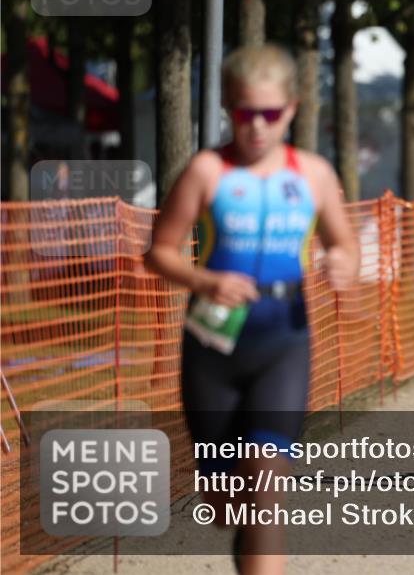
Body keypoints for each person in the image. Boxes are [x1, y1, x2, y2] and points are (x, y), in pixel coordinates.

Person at [145, 44, 359, 574]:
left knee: (266, 491)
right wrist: (205, 278)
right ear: (227, 109)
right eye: (244, 113)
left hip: (283, 343)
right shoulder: (206, 170)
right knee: (226, 506)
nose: (256, 127)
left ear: (291, 108)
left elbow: (347, 247)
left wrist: (342, 263)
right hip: (212, 348)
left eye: (269, 114)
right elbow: (158, 251)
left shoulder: (312, 174)